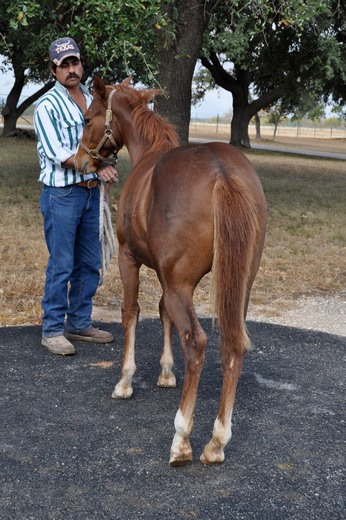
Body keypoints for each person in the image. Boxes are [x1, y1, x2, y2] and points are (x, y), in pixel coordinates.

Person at [34, 37, 118, 356]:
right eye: (64, 65)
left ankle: (79, 323)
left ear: (82, 64)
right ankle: (53, 329)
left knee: (90, 261)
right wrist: (99, 168)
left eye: (75, 63)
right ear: (53, 70)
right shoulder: (47, 107)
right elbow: (61, 156)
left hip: (90, 195)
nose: (71, 69)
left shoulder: (92, 99)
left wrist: (105, 160)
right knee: (62, 263)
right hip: (62, 194)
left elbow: (103, 139)